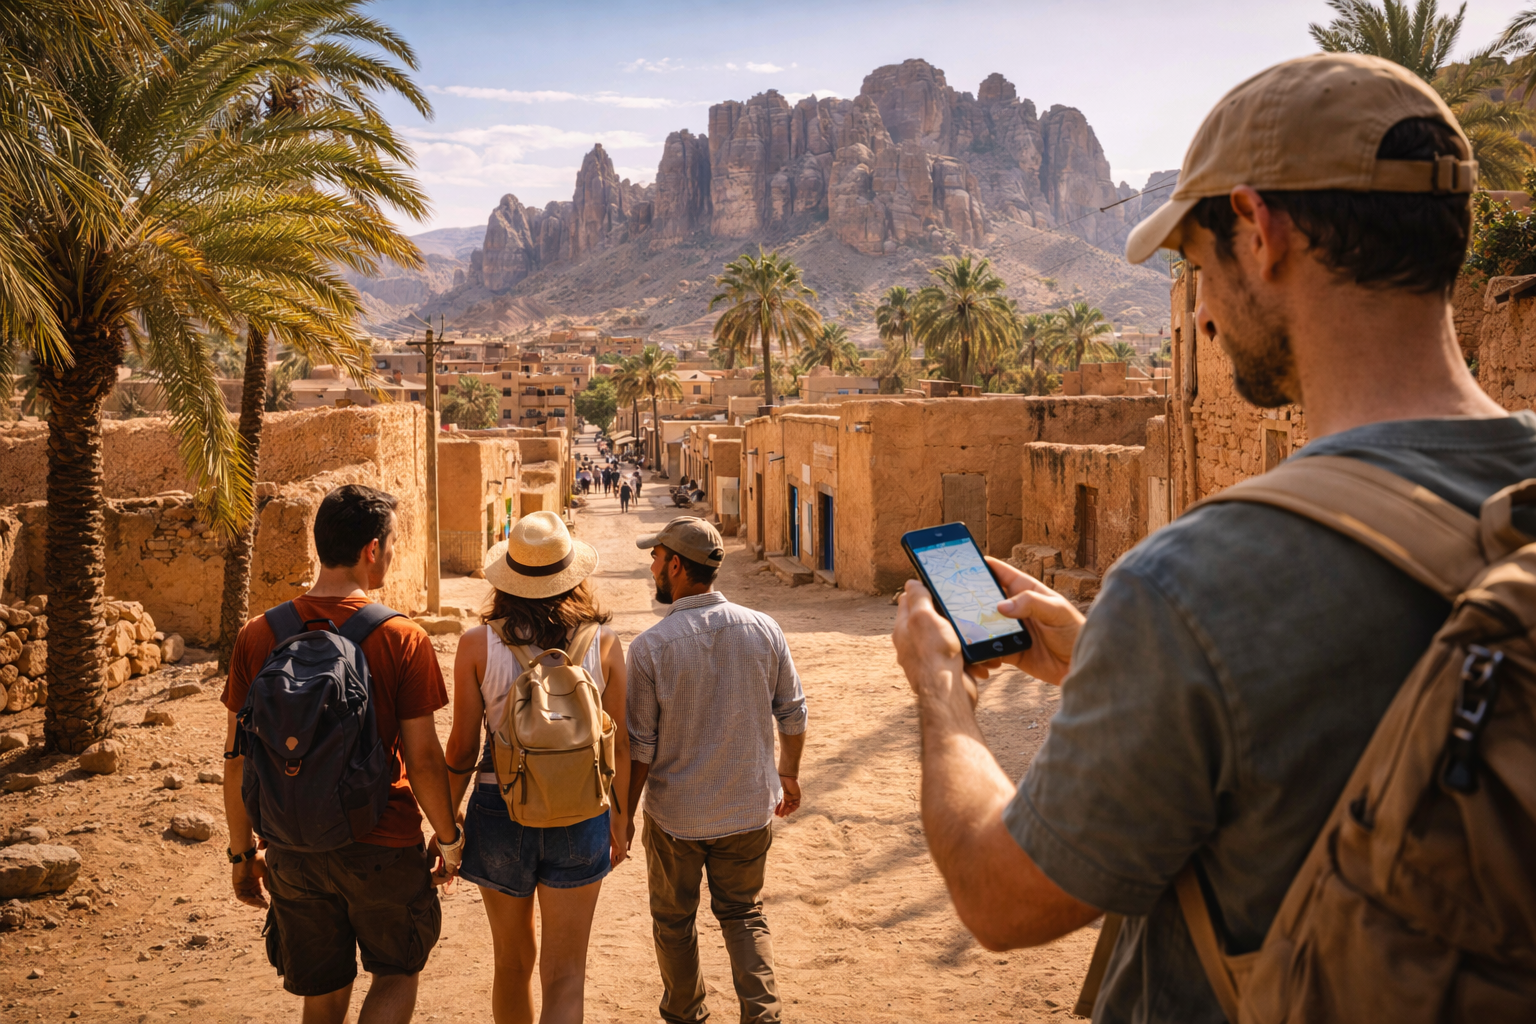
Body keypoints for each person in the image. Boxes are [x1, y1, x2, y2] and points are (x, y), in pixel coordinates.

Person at [891, 53, 1524, 1024]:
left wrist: (943, 695)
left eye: (1196, 267)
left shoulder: (1193, 584)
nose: (1206, 317)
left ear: (1261, 233)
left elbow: (1000, 894)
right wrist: (1108, 650)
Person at [222, 484, 460, 1024]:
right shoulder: (402, 637)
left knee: (324, 991)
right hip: (383, 842)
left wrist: (242, 856)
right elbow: (423, 759)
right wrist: (449, 840)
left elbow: (237, 761)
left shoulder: (258, 635)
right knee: (396, 972)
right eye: (392, 543)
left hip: (291, 847)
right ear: (372, 549)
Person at [444, 511, 630, 1024]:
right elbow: (622, 744)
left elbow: (461, 749)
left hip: (499, 807)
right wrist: (621, 817)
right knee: (566, 973)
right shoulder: (605, 643)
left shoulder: (476, 645)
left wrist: (444, 828)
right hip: (581, 811)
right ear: (573, 574)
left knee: (511, 963)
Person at [627, 517, 808, 1024]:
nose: (652, 565)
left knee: (674, 921)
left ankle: (686, 1015)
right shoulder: (763, 628)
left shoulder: (649, 648)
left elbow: (640, 747)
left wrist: (623, 817)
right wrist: (788, 774)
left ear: (677, 566)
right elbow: (793, 712)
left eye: (657, 558)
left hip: (675, 820)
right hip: (749, 809)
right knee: (744, 913)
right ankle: (763, 1016)